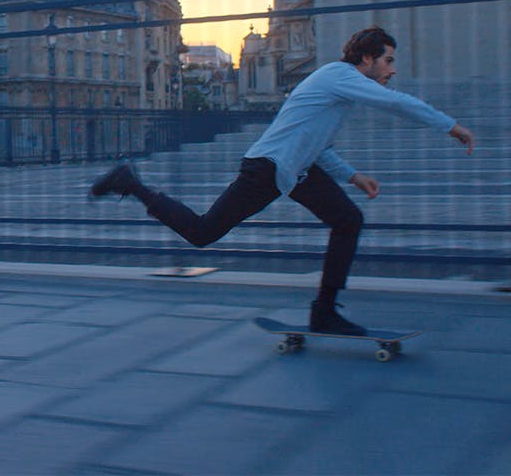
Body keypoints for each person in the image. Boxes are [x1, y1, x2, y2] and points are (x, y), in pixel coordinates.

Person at [90, 26, 475, 335]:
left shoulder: (338, 88)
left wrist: (354, 176)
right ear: (367, 58)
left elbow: (316, 144)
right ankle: (131, 183)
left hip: (297, 168)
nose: (392, 70)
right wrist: (450, 126)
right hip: (267, 168)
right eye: (388, 62)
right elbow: (396, 102)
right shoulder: (338, 76)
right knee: (203, 233)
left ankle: (324, 312)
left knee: (348, 220)